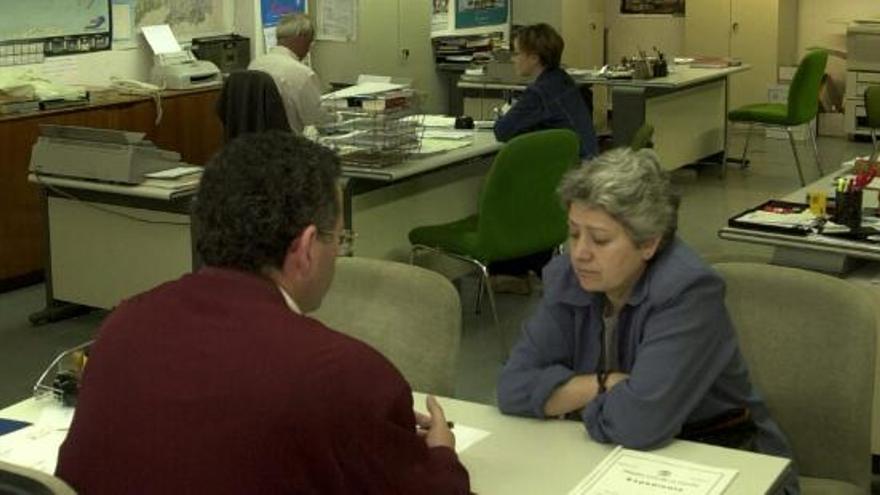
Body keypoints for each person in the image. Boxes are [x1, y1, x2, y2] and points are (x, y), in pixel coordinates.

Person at [55, 132, 470, 494]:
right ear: (306, 248)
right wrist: (440, 457)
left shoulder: (123, 326)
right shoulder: (346, 375)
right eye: (340, 238)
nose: (339, 251)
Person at [496, 148, 799, 494]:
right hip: (618, 463)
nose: (580, 252)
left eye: (600, 239)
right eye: (574, 233)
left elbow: (638, 423)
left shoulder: (689, 291)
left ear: (649, 244)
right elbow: (512, 386)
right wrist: (604, 384)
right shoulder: (571, 275)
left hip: (725, 461)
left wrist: (565, 401)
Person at [493, 23, 598, 159]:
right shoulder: (562, 79)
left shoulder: (539, 93)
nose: (513, 59)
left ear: (534, 58)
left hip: (574, 172)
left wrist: (506, 115)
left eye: (517, 53)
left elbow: (502, 131)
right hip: (590, 164)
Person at [248, 13, 333, 134]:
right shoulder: (302, 73)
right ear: (301, 38)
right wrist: (339, 116)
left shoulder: (255, 64)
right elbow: (320, 120)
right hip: (289, 145)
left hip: (254, 142)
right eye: (310, 42)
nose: (309, 48)